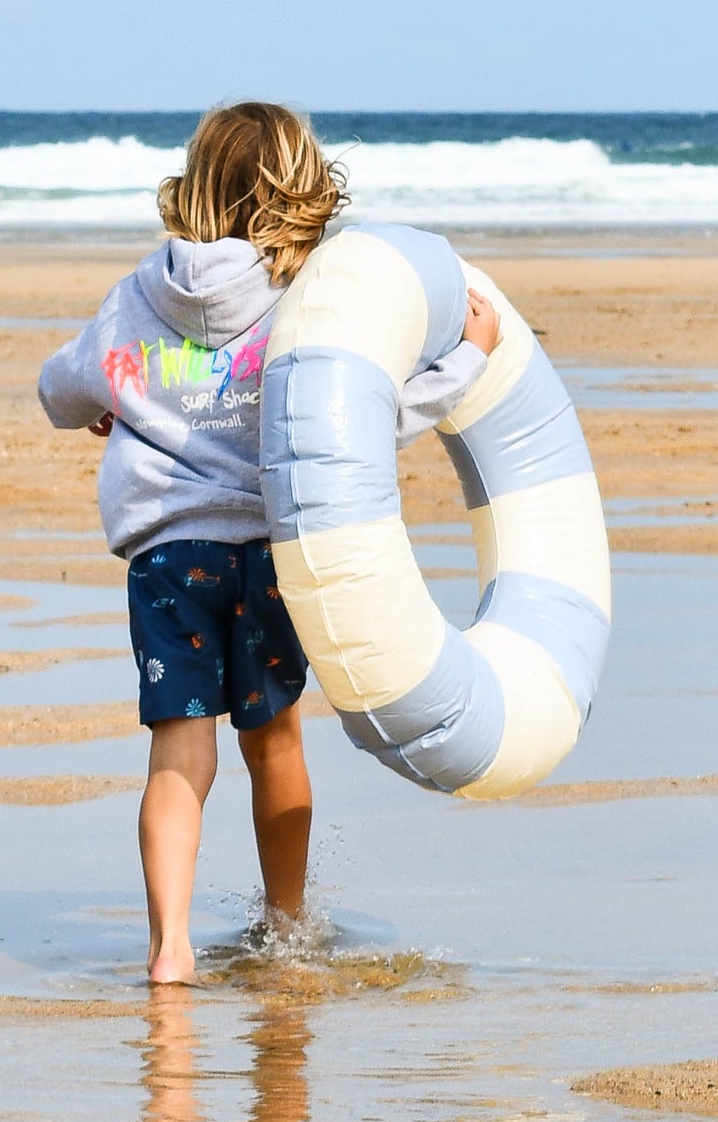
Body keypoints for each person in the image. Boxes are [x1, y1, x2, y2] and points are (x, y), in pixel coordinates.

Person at [38, 101, 499, 983]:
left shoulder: (139, 296)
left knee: (179, 751)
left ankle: (169, 948)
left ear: (196, 185)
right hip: (272, 552)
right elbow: (354, 429)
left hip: (170, 558)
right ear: (298, 192)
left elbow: (60, 392)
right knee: (275, 742)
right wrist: (467, 360)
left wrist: (116, 398)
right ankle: (288, 930)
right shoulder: (310, 303)